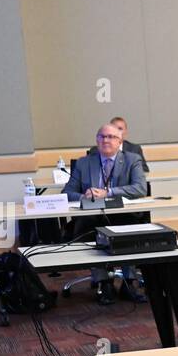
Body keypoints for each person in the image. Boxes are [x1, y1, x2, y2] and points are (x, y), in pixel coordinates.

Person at [65, 123, 150, 304]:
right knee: (89, 228)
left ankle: (129, 281)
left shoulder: (131, 159)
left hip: (123, 213)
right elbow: (67, 192)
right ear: (96, 141)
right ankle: (104, 282)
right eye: (102, 137)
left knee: (129, 228)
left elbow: (140, 188)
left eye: (111, 137)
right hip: (93, 215)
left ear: (119, 142)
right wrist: (84, 196)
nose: (106, 140)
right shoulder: (84, 162)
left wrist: (108, 193)